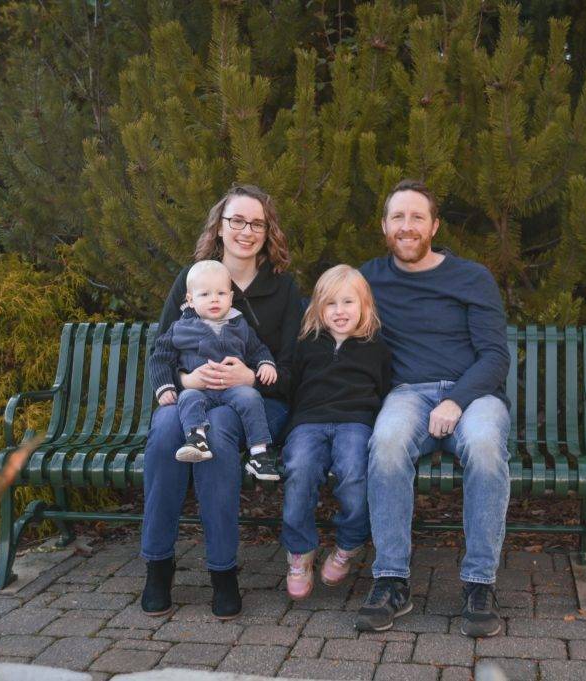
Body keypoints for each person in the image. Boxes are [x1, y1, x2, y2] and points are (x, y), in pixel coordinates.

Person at [357, 179, 512, 637]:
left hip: (474, 395)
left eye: (417, 217)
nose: (407, 227)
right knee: (385, 443)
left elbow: (495, 357)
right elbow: (324, 312)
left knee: (485, 448)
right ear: (385, 226)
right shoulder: (369, 278)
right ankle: (391, 580)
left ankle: (479, 584)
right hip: (408, 393)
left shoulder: (471, 277)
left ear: (434, 225)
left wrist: (455, 400)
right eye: (398, 217)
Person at [140, 185, 302, 620]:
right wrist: (184, 378)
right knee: (163, 433)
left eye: (256, 223)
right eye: (237, 221)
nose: (246, 231)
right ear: (220, 225)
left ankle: (222, 570)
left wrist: (251, 375)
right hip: (192, 393)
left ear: (268, 232)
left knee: (222, 431)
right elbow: (163, 349)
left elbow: (290, 369)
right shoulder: (191, 280)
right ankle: (158, 563)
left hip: (256, 407)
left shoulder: (283, 290)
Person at [280, 265, 391, 600]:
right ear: (318, 309)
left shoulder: (376, 348)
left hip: (356, 422)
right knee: (299, 470)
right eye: (331, 304)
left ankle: (348, 544)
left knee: (355, 474)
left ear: (365, 306)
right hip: (309, 422)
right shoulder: (307, 344)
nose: (340, 311)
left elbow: (385, 391)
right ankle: (299, 552)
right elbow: (291, 386)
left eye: (348, 302)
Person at [147, 259, 278, 467]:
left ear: (231, 297)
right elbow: (160, 358)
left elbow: (257, 349)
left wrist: (265, 364)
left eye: (221, 293)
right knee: (188, 398)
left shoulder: (239, 323)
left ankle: (260, 453)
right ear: (190, 300)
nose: (214, 300)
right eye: (205, 294)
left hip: (232, 389)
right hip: (199, 389)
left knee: (251, 397)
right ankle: (197, 439)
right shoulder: (181, 328)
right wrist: (164, 387)